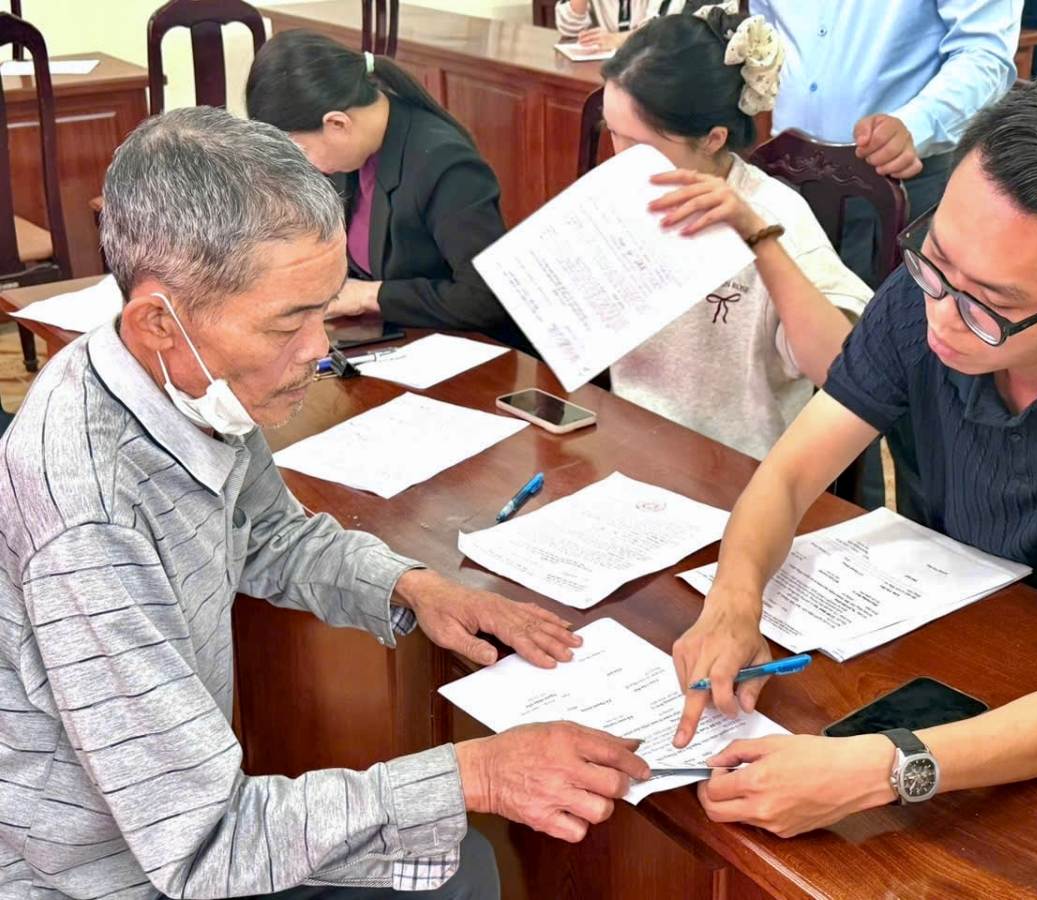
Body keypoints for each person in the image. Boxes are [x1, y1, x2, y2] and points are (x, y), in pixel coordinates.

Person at [0, 107, 650, 898]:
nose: (320, 349)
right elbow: (203, 847)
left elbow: (267, 534)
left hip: (177, 825)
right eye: (289, 322)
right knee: (460, 874)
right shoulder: (91, 521)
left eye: (324, 306)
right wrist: (472, 775)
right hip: (109, 876)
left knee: (462, 868)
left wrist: (413, 587)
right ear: (159, 321)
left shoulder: (185, 383)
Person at [670, 70, 1037, 838]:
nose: (944, 315)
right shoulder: (925, 298)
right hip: (959, 641)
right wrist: (733, 602)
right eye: (935, 260)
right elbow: (789, 475)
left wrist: (880, 770)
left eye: (993, 304)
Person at [598, 9, 873, 459]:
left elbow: (839, 371)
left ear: (712, 138)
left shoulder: (774, 214)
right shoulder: (621, 196)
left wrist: (756, 238)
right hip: (629, 440)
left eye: (639, 144)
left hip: (733, 466)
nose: (619, 158)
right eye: (613, 134)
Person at [245, 30, 516, 340]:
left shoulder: (445, 164)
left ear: (337, 124)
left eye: (302, 150)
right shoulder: (351, 152)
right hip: (386, 333)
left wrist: (368, 295)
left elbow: (486, 298)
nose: (305, 164)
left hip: (461, 346)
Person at [750, 0, 1021, 287]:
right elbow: (764, 27)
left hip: (895, 180)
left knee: (886, 308)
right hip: (782, 176)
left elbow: (984, 52)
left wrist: (918, 124)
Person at [555, 0, 710, 52]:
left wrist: (619, 39)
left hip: (652, 68)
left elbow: (664, 28)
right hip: (601, 69)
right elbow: (570, 29)